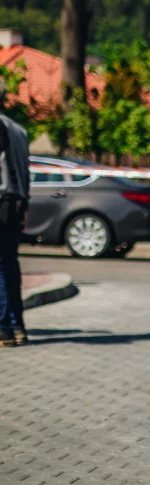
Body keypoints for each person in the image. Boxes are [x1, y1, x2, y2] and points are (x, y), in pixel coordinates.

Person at [0, 79, 31, 348]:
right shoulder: (19, 131)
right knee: (10, 265)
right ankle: (17, 325)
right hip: (16, 204)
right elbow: (26, 173)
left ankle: (4, 328)